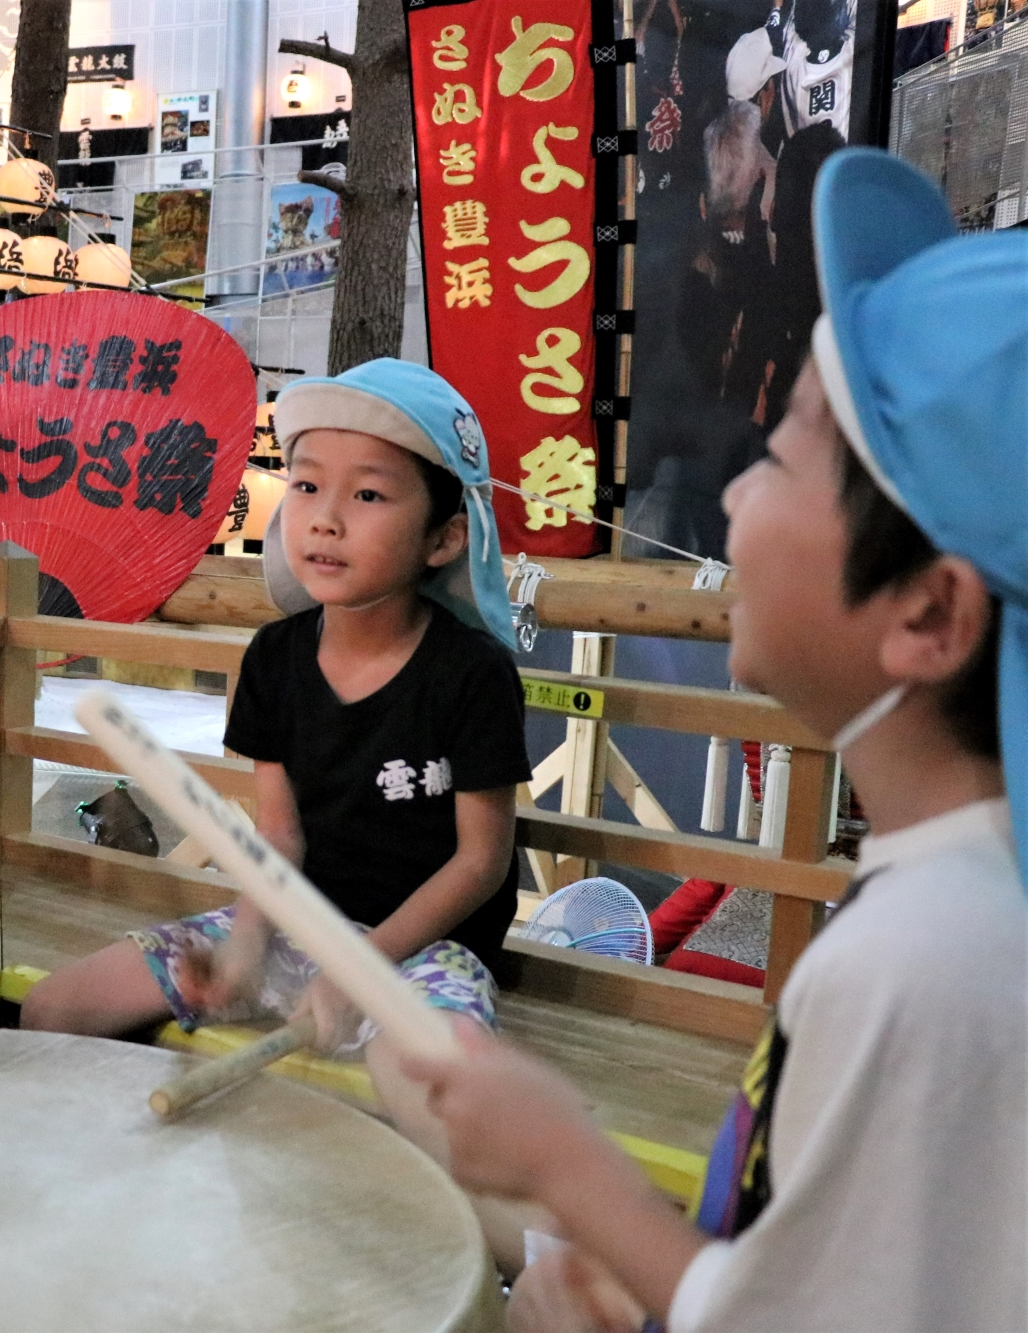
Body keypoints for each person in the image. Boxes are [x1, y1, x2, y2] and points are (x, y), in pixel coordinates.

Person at [406, 148, 1026, 1332]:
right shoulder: (958, 906)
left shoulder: (925, 962)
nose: (734, 499)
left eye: (784, 454)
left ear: (929, 614)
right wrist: (642, 1272)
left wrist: (565, 1166)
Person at [21, 359, 541, 1266]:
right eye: (305, 486)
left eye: (370, 494)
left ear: (445, 537)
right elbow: (281, 837)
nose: (325, 517)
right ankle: (92, 1223)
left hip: (419, 949)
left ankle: (533, 1283)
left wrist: (359, 971)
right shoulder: (274, 656)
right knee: (54, 1009)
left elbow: (480, 863)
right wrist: (249, 949)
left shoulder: (471, 672)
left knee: (431, 1099)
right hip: (296, 922)